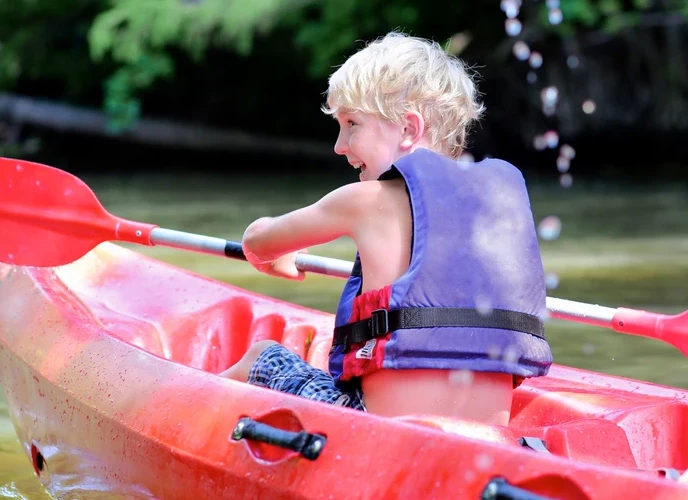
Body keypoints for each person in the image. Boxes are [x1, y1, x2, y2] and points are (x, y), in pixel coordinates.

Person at [219, 31, 553, 426]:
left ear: (409, 130)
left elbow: (258, 241)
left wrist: (273, 250)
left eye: (351, 124)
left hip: (379, 430)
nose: (339, 145)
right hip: (484, 436)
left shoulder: (366, 200)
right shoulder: (496, 204)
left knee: (263, 356)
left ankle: (188, 415)